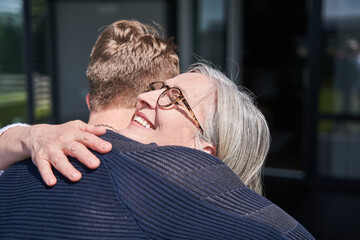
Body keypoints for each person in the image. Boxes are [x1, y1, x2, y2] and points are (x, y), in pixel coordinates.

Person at [0, 63, 314, 239]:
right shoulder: (76, 146)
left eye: (174, 98)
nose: (145, 98)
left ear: (204, 153)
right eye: (156, 88)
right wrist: (29, 135)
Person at [0, 19, 180, 186]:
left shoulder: (25, 167)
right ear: (150, 104)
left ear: (89, 101)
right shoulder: (164, 180)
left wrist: (28, 135)